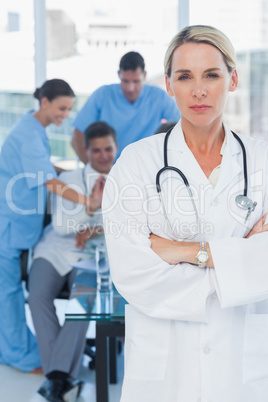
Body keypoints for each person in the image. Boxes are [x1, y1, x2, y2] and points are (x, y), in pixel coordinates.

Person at [102, 25, 268, 402]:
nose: (199, 90)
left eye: (211, 74)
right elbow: (131, 272)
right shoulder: (136, 163)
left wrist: (183, 251)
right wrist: (237, 260)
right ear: (168, 84)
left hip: (243, 370)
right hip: (164, 373)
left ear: (233, 79)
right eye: (185, 76)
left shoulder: (263, 161)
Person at [0, 79, 103, 375]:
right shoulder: (30, 136)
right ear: (45, 102)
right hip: (9, 224)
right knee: (8, 295)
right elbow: (49, 182)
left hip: (20, 225)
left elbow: (44, 167)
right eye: (61, 108)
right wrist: (88, 201)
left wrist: (76, 172)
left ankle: (24, 351)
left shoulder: (32, 128)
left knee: (10, 292)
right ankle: (20, 356)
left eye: (69, 109)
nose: (65, 115)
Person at [28, 121, 117, 402]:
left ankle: (55, 378)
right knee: (37, 296)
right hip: (54, 251)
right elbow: (61, 226)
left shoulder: (126, 182)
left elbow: (124, 224)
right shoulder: (68, 180)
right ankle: (63, 375)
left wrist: (95, 228)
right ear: (86, 151)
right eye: (97, 150)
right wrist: (92, 207)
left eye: (109, 149)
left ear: (116, 148)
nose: (103, 156)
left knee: (84, 297)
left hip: (92, 254)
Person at [71, 51, 180, 162]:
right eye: (125, 81)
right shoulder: (102, 95)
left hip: (146, 169)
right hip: (108, 171)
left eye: (136, 81)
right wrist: (93, 171)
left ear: (145, 75)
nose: (130, 88)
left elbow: (184, 124)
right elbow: (77, 137)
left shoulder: (158, 96)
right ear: (119, 75)